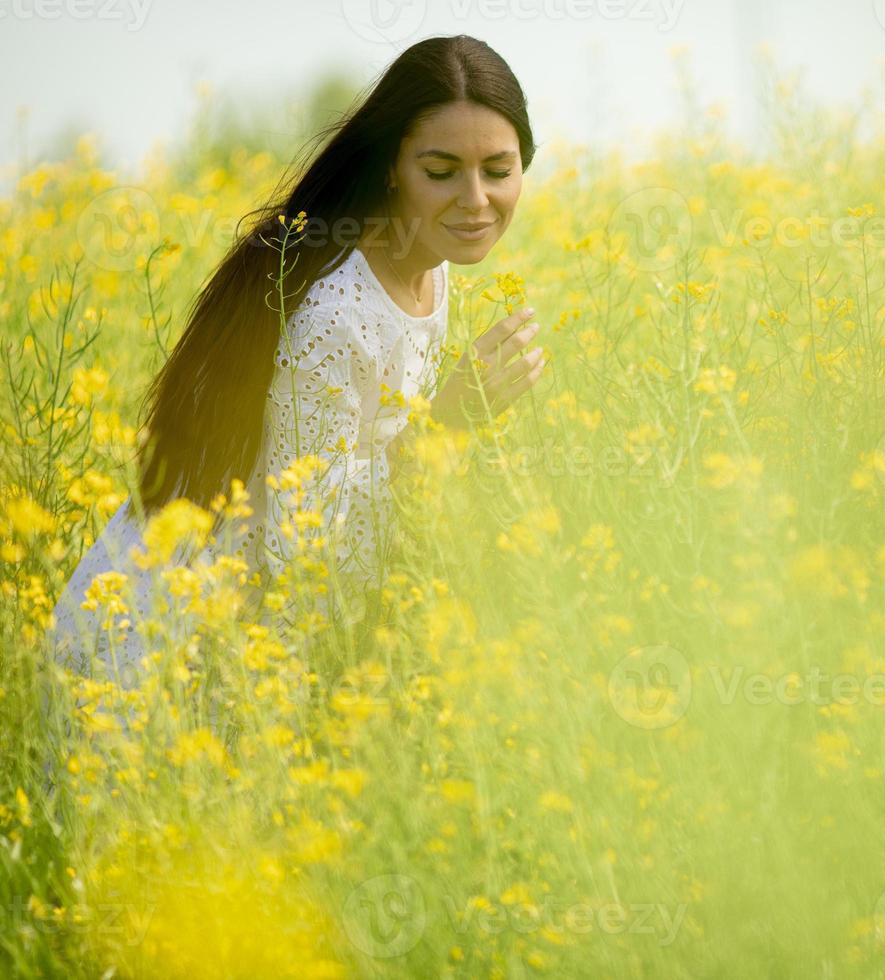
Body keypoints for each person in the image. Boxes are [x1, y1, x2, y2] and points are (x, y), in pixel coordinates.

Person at [47, 35, 550, 701]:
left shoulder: (430, 272)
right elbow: (305, 553)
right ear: (393, 166)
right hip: (148, 658)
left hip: (243, 651)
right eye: (442, 171)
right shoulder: (335, 312)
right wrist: (448, 424)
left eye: (497, 169)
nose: (476, 199)